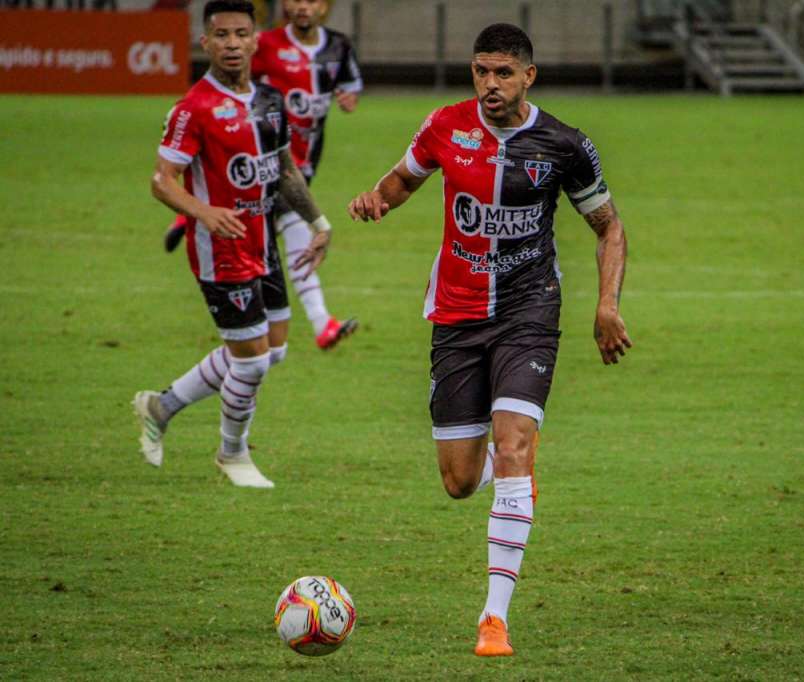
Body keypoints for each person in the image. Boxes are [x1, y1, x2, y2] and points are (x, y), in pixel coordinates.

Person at [347, 23, 632, 656]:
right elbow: (403, 179)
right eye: (481, 71)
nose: (490, 84)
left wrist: (607, 305)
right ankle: (510, 473)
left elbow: (609, 228)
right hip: (456, 314)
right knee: (456, 479)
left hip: (530, 311)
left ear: (529, 75)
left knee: (513, 444)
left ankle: (494, 619)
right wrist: (376, 201)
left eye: (503, 72)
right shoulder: (445, 126)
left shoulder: (564, 144)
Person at [134, 0, 334, 488]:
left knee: (275, 348)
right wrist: (203, 212)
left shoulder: (269, 100)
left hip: (262, 242)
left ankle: (161, 406)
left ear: (254, 39)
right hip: (219, 251)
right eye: (220, 35)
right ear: (206, 42)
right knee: (253, 358)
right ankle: (232, 454)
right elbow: (163, 181)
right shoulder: (192, 108)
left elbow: (284, 171)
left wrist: (319, 222)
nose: (230, 44)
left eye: (240, 34)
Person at [163, 0, 361, 350]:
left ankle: (188, 214)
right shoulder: (266, 44)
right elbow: (227, 92)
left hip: (299, 163)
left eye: (311, 0)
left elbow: (349, 82)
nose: (302, 7)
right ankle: (322, 323)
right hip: (257, 171)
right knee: (299, 237)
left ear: (325, 6)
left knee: (271, 348)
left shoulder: (338, 46)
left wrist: (349, 95)